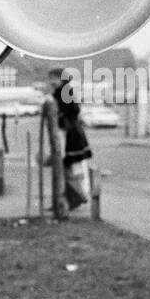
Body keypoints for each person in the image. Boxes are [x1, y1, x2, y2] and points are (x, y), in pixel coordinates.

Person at [53, 70, 92, 210]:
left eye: (53, 78)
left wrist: (62, 121)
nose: (51, 81)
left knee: (73, 167)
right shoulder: (65, 91)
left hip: (70, 134)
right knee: (73, 166)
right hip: (71, 132)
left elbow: (71, 110)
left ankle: (78, 195)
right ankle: (76, 195)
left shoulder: (62, 92)